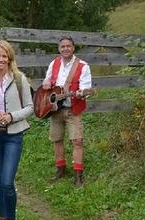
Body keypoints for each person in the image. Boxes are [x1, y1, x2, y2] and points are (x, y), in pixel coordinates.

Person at [0, 40, 33, 220]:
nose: (0, 59)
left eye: (4, 56)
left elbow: (30, 108)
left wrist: (11, 116)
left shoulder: (20, 79)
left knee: (7, 181)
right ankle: (3, 219)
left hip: (14, 136)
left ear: (10, 58)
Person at [41, 36, 92, 187]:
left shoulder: (83, 66)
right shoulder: (54, 63)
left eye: (68, 46)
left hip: (73, 109)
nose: (65, 49)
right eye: (62, 46)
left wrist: (81, 93)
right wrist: (45, 83)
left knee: (77, 140)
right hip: (55, 108)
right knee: (57, 139)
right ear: (59, 49)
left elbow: (86, 88)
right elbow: (47, 80)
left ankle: (78, 174)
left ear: (73, 48)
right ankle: (60, 169)